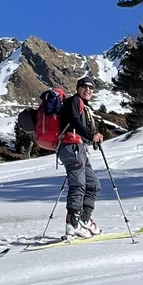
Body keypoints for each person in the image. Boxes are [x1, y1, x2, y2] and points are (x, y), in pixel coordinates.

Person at [60, 76, 103, 238]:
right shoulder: (74, 101)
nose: (88, 90)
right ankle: (72, 224)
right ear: (78, 88)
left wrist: (92, 137)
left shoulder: (83, 106)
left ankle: (84, 219)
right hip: (72, 147)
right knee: (78, 185)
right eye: (84, 87)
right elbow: (74, 121)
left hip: (80, 148)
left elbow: (80, 124)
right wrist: (90, 136)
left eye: (91, 88)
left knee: (93, 185)